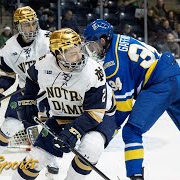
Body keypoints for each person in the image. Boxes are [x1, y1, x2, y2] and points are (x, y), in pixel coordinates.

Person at [83, 19, 180, 180]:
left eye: (92, 46)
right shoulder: (118, 39)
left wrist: (103, 133)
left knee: (132, 131)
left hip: (160, 85)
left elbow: (123, 109)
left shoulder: (112, 64)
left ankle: (135, 176)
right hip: (178, 78)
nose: (91, 51)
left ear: (102, 40)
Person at [12, 28, 117, 180]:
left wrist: (73, 131)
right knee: (36, 158)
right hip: (62, 116)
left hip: (99, 116)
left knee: (91, 147)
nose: (79, 56)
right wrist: (28, 100)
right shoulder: (43, 64)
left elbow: (94, 113)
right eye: (72, 54)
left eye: (79, 50)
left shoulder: (93, 71)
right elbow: (31, 77)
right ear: (58, 55)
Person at [0, 6, 51, 176]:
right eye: (26, 25)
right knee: (10, 125)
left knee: (47, 128)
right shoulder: (9, 49)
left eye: (33, 24)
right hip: (25, 92)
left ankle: (50, 161)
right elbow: (8, 75)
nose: (31, 28)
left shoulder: (48, 40)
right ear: (18, 26)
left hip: (49, 92)